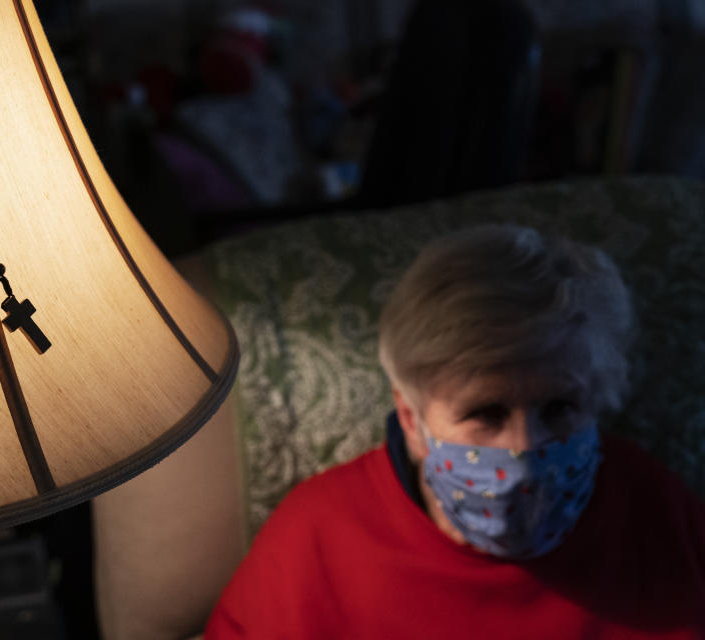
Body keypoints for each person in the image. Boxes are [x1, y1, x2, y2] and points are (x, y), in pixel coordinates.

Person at [205, 224, 705, 639]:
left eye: (559, 408)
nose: (525, 450)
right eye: (486, 413)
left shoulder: (654, 509)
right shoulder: (315, 541)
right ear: (411, 420)